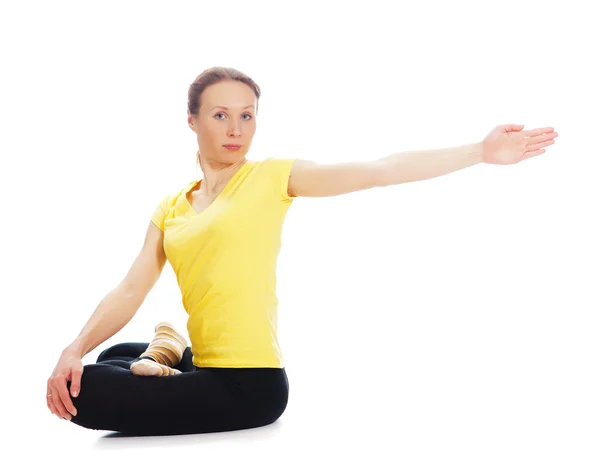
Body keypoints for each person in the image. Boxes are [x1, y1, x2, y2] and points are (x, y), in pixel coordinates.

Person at [46, 66, 559, 436]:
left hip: (250, 386)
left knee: (90, 390)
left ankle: (170, 355)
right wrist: (73, 348)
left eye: (246, 115)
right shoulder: (172, 206)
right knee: (109, 356)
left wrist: (479, 152)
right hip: (207, 370)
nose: (235, 129)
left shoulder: (272, 177)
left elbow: (378, 169)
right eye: (221, 115)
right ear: (191, 120)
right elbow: (131, 288)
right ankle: (174, 355)